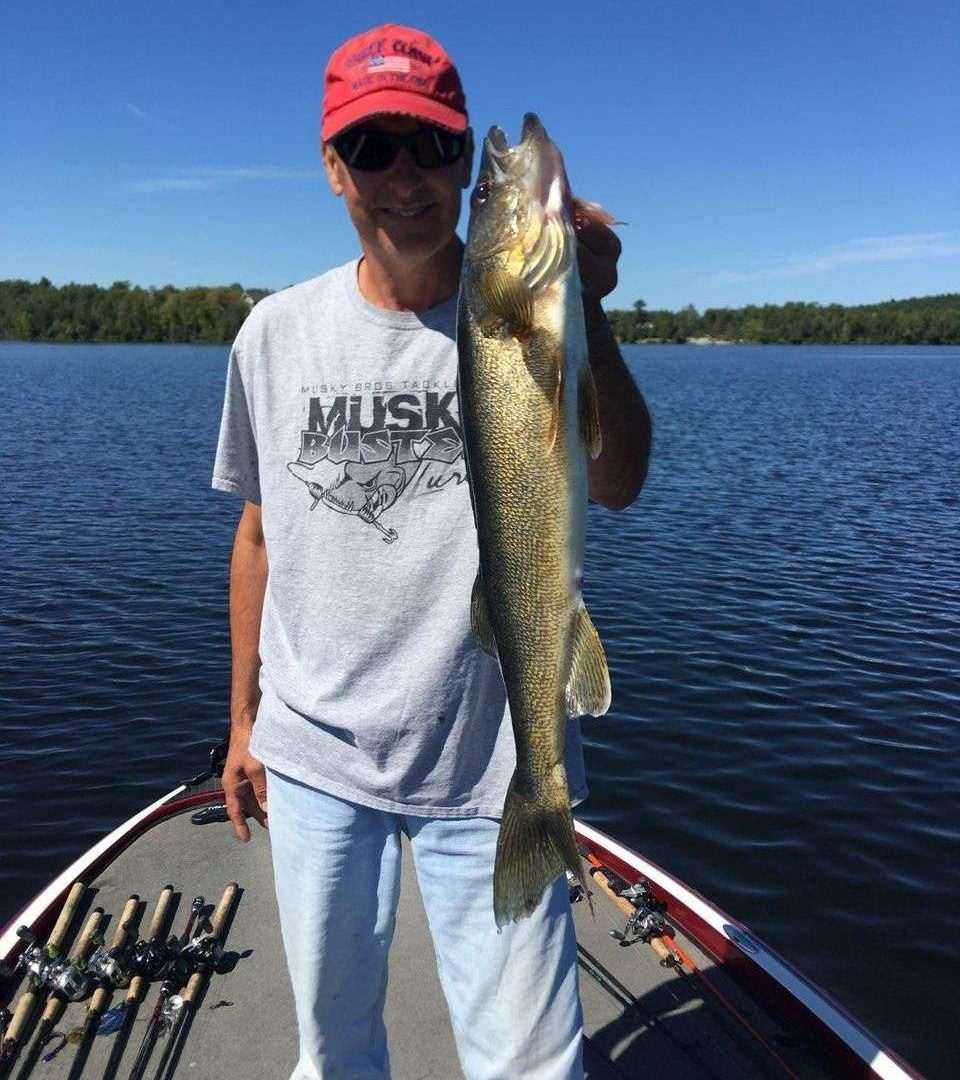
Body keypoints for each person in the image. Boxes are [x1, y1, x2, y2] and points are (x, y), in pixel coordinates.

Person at [212, 22, 651, 1080]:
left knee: (533, 1068)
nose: (404, 176)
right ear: (331, 168)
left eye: (432, 146)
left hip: (493, 764)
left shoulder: (532, 318)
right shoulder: (273, 334)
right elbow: (259, 532)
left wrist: (583, 302)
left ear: (460, 160)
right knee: (336, 1052)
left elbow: (619, 479)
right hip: (316, 761)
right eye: (373, 148)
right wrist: (239, 723)